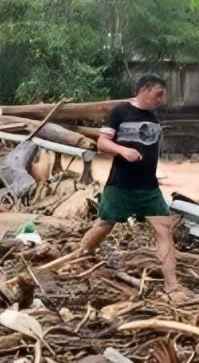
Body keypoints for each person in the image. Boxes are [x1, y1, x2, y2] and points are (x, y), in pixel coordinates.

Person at [75, 73, 184, 301]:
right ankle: (81, 256)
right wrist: (123, 151)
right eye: (158, 94)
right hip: (121, 184)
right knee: (105, 224)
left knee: (164, 228)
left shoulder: (154, 115)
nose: (161, 100)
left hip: (148, 186)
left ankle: (172, 287)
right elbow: (102, 142)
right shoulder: (120, 111)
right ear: (144, 89)